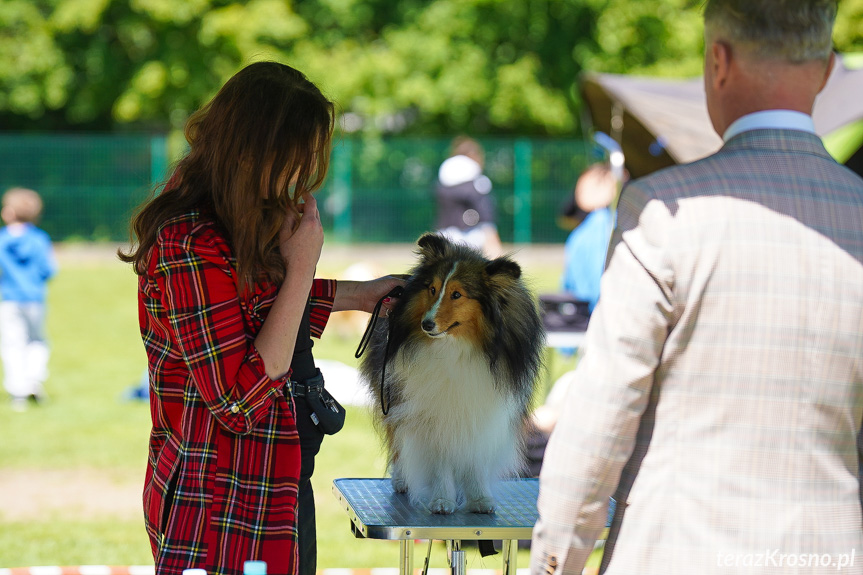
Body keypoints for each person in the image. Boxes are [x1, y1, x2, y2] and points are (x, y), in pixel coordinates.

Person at [531, 2, 863, 574]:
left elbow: (603, 413)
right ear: (829, 70)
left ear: (718, 60)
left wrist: (553, 563)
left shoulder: (661, 209)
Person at [118, 61, 401, 575]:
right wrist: (301, 266)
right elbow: (237, 399)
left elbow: (256, 309)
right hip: (214, 507)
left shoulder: (231, 221)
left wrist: (363, 295)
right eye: (297, 161)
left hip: (273, 483)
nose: (302, 181)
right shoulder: (189, 241)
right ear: (251, 153)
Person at [0, 187, 57, 412]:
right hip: (35, 299)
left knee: (12, 344)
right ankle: (34, 379)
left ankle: (18, 393)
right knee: (37, 341)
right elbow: (48, 270)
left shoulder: (2, 240)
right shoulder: (40, 239)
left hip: (8, 300)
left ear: (10, 212)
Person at [561, 163, 617, 314]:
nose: (579, 190)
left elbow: (596, 282)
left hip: (589, 315)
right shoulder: (603, 224)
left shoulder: (600, 227)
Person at [434, 136, 502, 258]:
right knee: (488, 232)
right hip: (471, 239)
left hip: (443, 236)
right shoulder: (478, 182)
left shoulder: (444, 178)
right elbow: (486, 217)